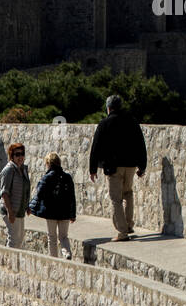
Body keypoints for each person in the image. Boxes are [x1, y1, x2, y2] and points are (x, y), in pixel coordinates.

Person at [89, 94, 147, 241]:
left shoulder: (105, 123)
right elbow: (140, 143)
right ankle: (128, 224)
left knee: (116, 199)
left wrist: (93, 169)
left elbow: (95, 147)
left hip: (114, 167)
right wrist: (142, 165)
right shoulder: (132, 121)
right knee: (128, 193)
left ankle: (122, 232)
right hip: (131, 165)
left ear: (108, 108)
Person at [29, 152, 76, 258]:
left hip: (50, 212)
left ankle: (53, 259)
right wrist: (73, 214)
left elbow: (39, 194)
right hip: (65, 212)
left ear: (48, 164)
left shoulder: (46, 178)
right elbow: (72, 197)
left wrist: (31, 207)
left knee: (52, 237)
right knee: (64, 236)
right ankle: (67, 253)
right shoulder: (67, 177)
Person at [0, 143, 30, 249]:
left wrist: (27, 205)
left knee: (19, 238)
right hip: (10, 210)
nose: (20, 157)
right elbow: (4, 193)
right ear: (12, 156)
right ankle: (9, 263)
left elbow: (25, 189)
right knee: (14, 239)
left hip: (19, 209)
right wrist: (10, 211)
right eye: (17, 154)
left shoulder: (23, 169)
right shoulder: (9, 170)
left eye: (22, 154)